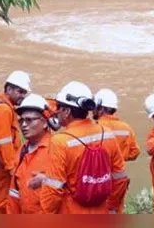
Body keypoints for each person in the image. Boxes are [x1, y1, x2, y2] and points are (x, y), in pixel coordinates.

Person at [40, 81, 129, 214]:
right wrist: (112, 207)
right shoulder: (108, 134)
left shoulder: (60, 141)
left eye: (59, 107)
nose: (56, 111)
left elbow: (53, 190)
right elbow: (121, 178)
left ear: (67, 111)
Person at [0, 70, 31, 214]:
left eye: (24, 92)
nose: (22, 95)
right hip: (1, 165)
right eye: (20, 91)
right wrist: (11, 168)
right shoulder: (3, 110)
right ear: (8, 89)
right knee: (0, 202)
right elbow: (3, 142)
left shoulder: (2, 106)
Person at [93, 88, 141, 213]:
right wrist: (121, 156)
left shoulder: (95, 129)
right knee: (116, 211)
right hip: (119, 180)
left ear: (101, 108)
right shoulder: (126, 128)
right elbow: (135, 152)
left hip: (99, 181)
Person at [7, 94, 53, 214]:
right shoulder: (23, 151)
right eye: (21, 120)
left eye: (29, 120)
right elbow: (14, 193)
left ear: (44, 123)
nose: (23, 125)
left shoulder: (56, 149)